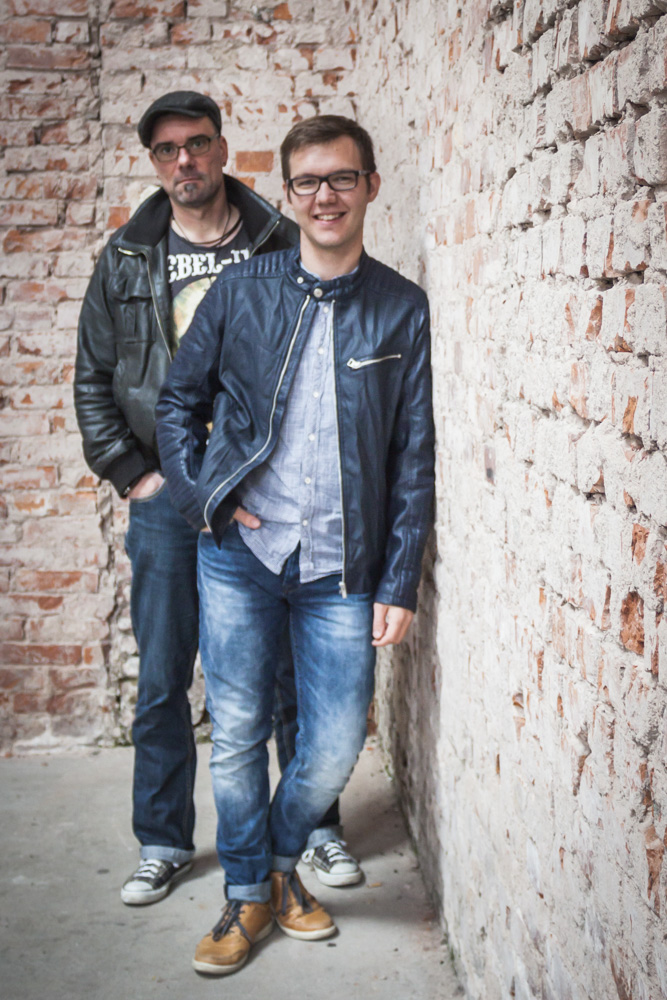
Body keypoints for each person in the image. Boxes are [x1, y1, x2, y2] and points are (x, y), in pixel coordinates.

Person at [155, 114, 435, 975]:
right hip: (240, 557)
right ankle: (249, 894)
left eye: (342, 178)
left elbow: (412, 455)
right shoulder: (242, 290)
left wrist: (399, 580)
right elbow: (177, 404)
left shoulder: (400, 307)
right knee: (239, 732)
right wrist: (206, 499)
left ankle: (277, 866)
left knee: (336, 740)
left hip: (340, 566)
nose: (325, 196)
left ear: (370, 187)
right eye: (308, 181)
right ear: (287, 194)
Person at [74, 92, 361, 908]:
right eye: (167, 150)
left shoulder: (278, 236)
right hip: (168, 499)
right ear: (153, 163)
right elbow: (94, 379)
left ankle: (311, 827)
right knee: (165, 675)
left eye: (197, 144)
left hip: (266, 492)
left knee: (290, 672)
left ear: (223, 148)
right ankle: (164, 840)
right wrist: (140, 477)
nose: (184, 161)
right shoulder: (127, 258)